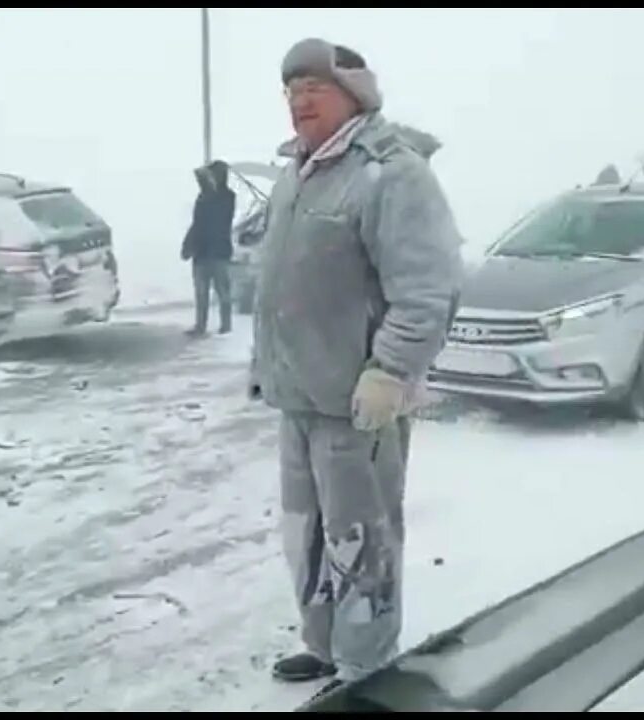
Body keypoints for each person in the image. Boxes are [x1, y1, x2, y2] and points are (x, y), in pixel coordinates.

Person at [248, 37, 464, 696]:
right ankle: (324, 644)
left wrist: (390, 370)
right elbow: (284, 281)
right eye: (289, 91)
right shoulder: (300, 171)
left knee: (360, 538)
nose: (297, 101)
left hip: (358, 403)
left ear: (355, 94)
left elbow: (428, 288)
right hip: (301, 397)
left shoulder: (391, 172)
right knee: (306, 534)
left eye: (312, 87)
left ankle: (367, 666)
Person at [180, 159, 236, 336]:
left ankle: (226, 326)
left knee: (222, 292)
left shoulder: (226, 198)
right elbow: (197, 224)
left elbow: (216, 222)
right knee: (201, 293)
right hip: (202, 252)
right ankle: (201, 325)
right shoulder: (203, 198)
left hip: (218, 252)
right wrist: (188, 244)